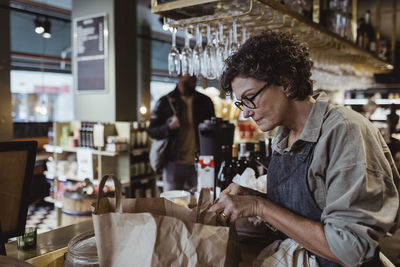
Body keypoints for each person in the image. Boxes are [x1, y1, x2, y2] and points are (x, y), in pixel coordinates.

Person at [210, 31, 400, 267]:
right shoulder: (284, 137)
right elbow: (306, 212)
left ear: (286, 83)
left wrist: (259, 206)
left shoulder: (344, 131)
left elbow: (351, 248)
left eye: (250, 98)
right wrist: (254, 198)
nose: (245, 112)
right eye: (241, 103)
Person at [148, 74, 215, 192]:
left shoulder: (205, 101)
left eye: (194, 75)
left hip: (200, 161)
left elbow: (213, 130)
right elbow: (152, 131)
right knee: (172, 204)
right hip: (173, 162)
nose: (192, 78)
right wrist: (169, 127)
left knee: (202, 201)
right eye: (188, 74)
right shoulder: (165, 102)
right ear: (179, 75)